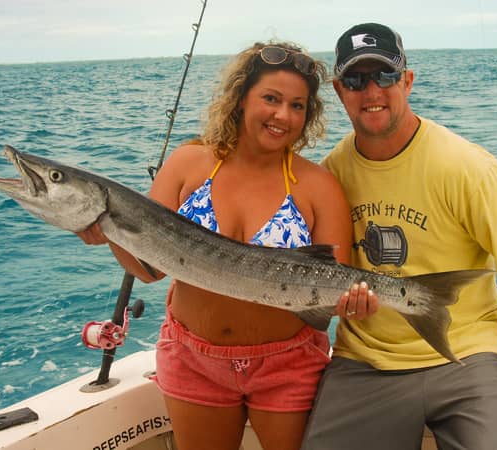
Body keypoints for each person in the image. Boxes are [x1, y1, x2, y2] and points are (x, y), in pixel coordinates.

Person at [78, 41, 377, 450]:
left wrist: (352, 303)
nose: (283, 116)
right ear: (240, 99)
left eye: (297, 105)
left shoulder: (318, 186)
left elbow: (332, 284)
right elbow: (150, 270)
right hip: (193, 359)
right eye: (271, 99)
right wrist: (108, 231)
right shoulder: (188, 164)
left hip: (289, 364)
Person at [301, 23, 497, 450]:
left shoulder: (467, 168)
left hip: (467, 356)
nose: (371, 91)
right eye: (355, 80)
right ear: (338, 90)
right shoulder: (331, 173)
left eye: (385, 76)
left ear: (407, 81)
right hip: (366, 361)